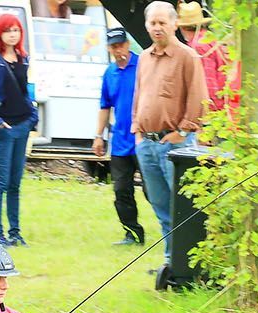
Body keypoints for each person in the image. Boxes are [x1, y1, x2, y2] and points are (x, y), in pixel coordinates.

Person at [131, 1, 207, 263]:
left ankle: (187, 263)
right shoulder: (143, 58)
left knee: (181, 207)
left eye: (162, 22)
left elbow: (198, 98)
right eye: (152, 23)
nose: (157, 27)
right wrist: (137, 132)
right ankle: (170, 260)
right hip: (147, 143)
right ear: (146, 25)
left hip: (175, 144)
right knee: (160, 205)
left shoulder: (187, 56)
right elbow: (138, 96)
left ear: (175, 24)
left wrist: (183, 132)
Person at [0, 13, 38, 247]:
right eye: (8, 30)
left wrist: (33, 115)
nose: (13, 34)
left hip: (22, 125)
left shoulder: (23, 58)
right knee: (0, 183)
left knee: (15, 184)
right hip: (1, 128)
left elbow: (24, 91)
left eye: (16, 30)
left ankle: (15, 232)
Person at [93, 28, 147, 246]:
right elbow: (105, 106)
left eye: (120, 45)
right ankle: (132, 234)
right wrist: (98, 136)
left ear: (127, 44)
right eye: (113, 47)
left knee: (152, 191)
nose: (118, 51)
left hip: (143, 140)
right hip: (120, 143)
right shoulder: (110, 73)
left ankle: (171, 230)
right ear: (109, 48)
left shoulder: (143, 66)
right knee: (121, 191)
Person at [177, 2, 237, 113]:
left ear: (182, 27)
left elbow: (209, 84)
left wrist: (208, 114)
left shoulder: (198, 47)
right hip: (224, 105)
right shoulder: (209, 38)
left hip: (212, 112)